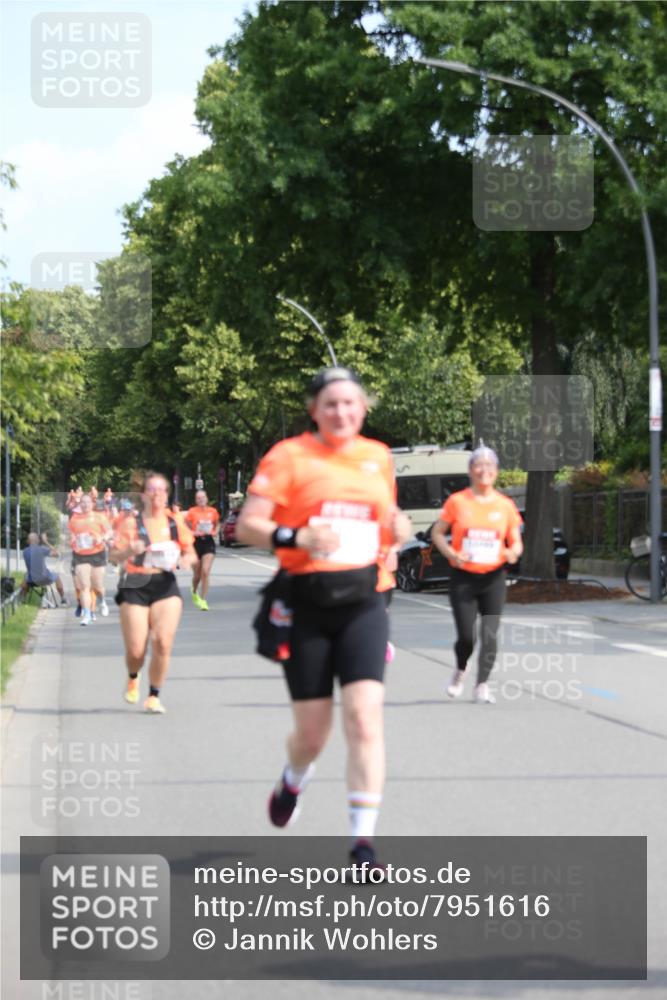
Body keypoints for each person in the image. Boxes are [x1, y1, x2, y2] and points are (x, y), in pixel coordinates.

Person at [236, 366, 411, 871]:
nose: (341, 412)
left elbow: (386, 524)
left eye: (350, 403)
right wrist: (297, 538)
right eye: (330, 404)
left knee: (363, 718)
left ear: (364, 408)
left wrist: (396, 530)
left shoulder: (377, 458)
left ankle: (363, 844)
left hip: (364, 602)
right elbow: (250, 524)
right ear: (314, 409)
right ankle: (294, 777)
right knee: (314, 733)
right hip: (307, 602)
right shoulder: (289, 456)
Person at [431, 445, 523, 704]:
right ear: (470, 471)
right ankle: (461, 669)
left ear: (496, 472)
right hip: (464, 579)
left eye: (490, 466)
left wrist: (512, 553)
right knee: (466, 636)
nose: (484, 470)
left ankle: (482, 684)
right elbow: (437, 533)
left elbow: (516, 542)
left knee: (490, 635)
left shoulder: (504, 505)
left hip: (493, 578)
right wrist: (451, 553)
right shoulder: (457, 502)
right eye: (479, 465)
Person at [110, 471, 196, 714]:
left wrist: (187, 559)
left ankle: (154, 695)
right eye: (152, 490)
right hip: (135, 583)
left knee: (162, 642)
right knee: (137, 649)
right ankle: (133, 675)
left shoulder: (174, 522)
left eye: (162, 490)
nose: (158, 494)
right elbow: (113, 556)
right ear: (143, 495)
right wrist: (128, 551)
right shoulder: (129, 522)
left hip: (164, 583)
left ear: (167, 495)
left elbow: (190, 552)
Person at [68, 494, 112, 625]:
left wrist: (102, 538)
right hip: (80, 554)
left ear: (92, 504)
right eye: (83, 502)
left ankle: (102, 601)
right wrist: (72, 539)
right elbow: (71, 534)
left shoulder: (100, 517)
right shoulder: (74, 519)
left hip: (97, 553)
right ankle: (86, 614)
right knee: (84, 586)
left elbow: (110, 532)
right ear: (80, 504)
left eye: (87, 502)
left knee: (97, 585)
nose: (85, 505)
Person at [185, 490, 220, 610]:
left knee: (205, 571)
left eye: (203, 497)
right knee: (197, 574)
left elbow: (217, 524)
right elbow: (185, 526)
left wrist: (215, 531)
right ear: (196, 500)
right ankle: (194, 591)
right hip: (196, 543)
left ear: (207, 498)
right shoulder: (192, 512)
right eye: (198, 498)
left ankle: (203, 600)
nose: (201, 500)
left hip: (208, 542)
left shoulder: (213, 511)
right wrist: (192, 532)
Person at [21, 533, 68, 605]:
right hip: (44, 578)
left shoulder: (25, 551)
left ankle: (23, 599)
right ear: (38, 541)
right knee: (57, 576)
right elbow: (57, 554)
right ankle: (63, 598)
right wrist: (46, 541)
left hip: (32, 580)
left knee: (26, 576)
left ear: (28, 541)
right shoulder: (42, 549)